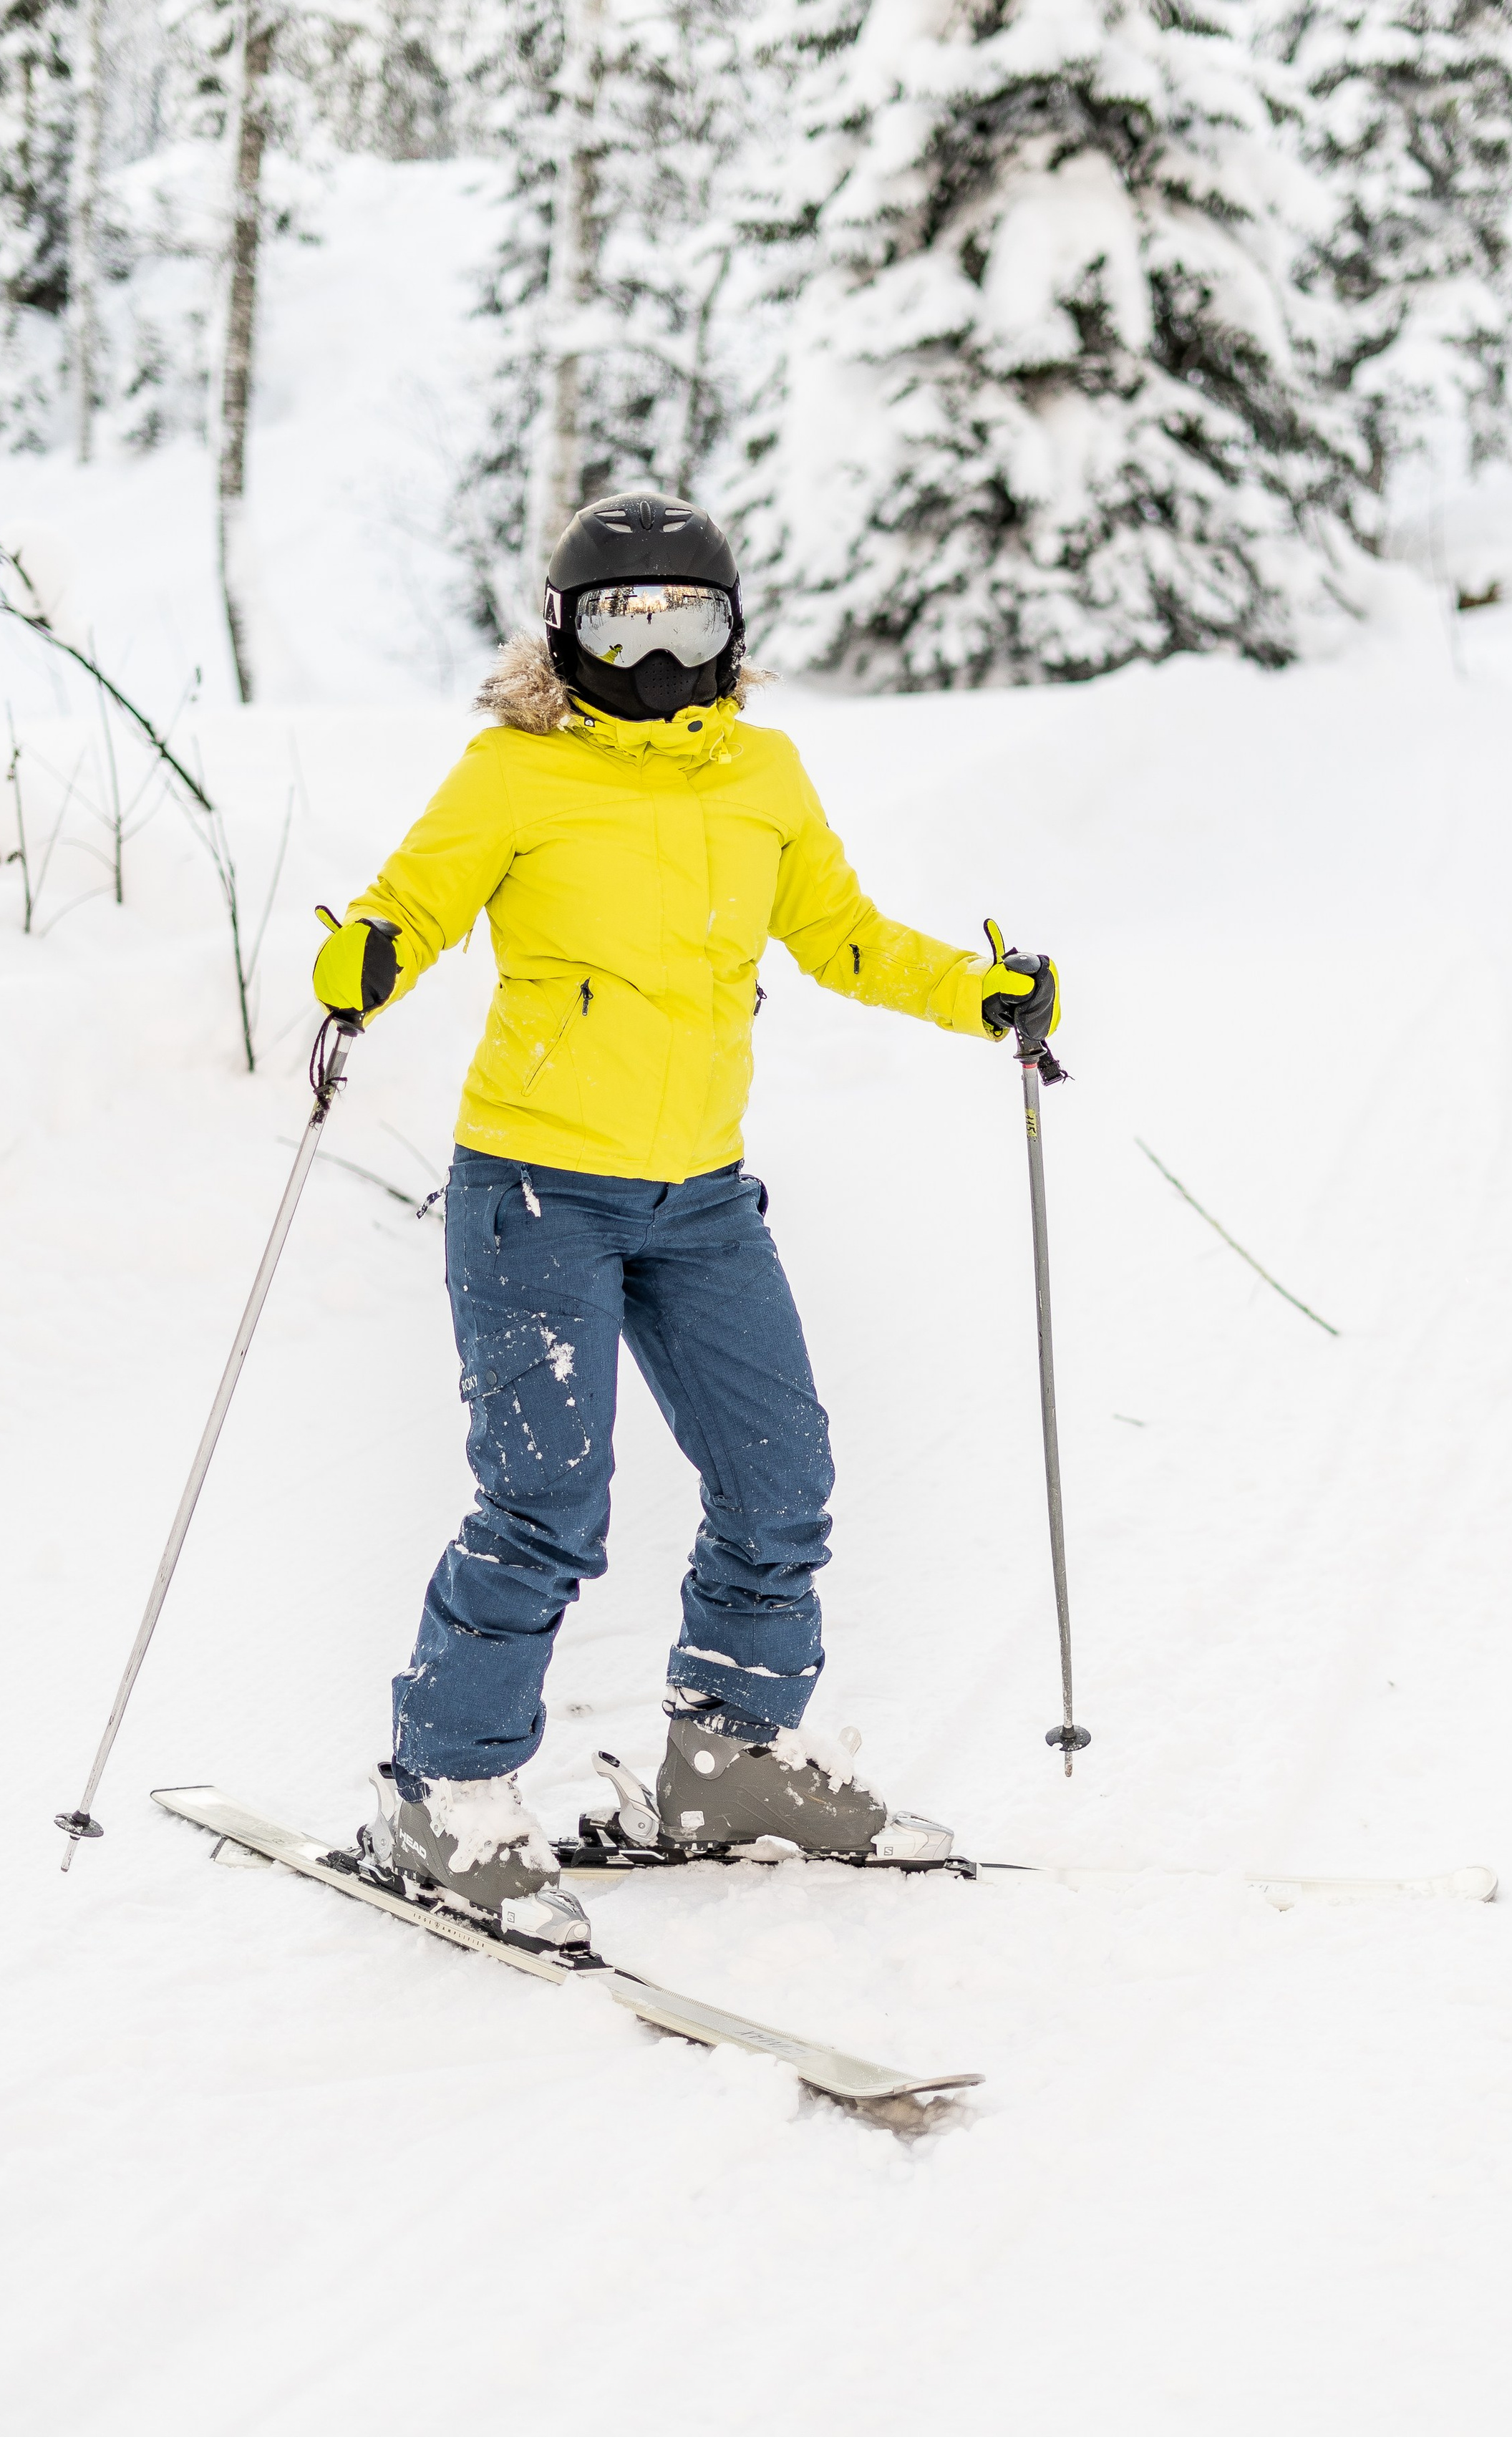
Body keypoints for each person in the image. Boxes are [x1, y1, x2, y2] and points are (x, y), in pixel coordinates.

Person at [312, 492, 1057, 1942]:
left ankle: (730, 1764)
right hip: (535, 1191)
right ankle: (439, 1796)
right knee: (543, 1506)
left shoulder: (763, 777)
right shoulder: (511, 776)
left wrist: (978, 995)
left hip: (700, 1200)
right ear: (560, 636)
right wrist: (369, 953)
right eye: (616, 624)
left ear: (733, 636)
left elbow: (839, 934)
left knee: (781, 1484)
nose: (652, 657)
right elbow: (412, 902)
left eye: (686, 623)